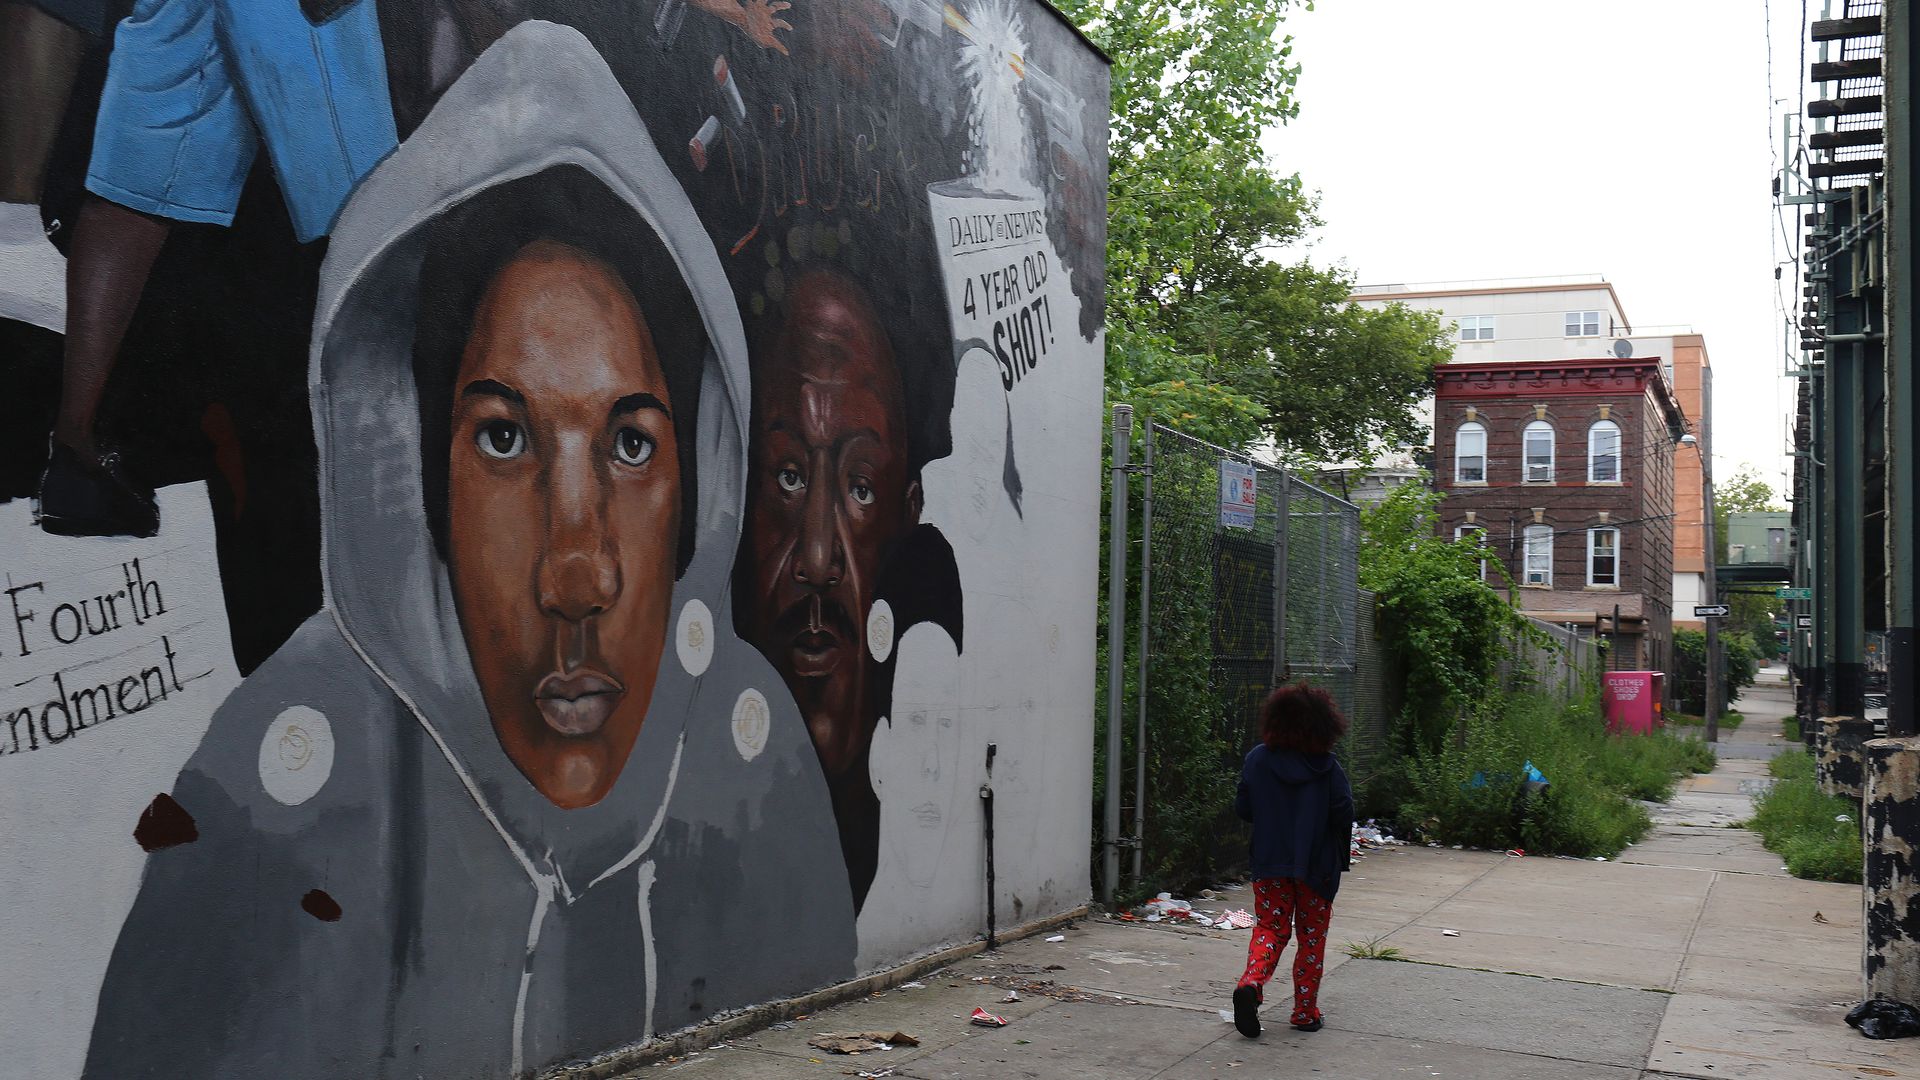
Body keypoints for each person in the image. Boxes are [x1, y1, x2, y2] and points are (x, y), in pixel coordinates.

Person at [82, 25, 853, 1077]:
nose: (577, 574)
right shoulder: (269, 811)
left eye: (631, 445)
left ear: (698, 479)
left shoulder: (753, 766)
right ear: (415, 482)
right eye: (502, 437)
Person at [1231, 681, 1354, 1039]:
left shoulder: (1257, 759)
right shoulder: (1328, 769)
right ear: (1323, 725)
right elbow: (1343, 812)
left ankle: (1251, 984)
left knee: (1271, 927)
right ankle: (1304, 1013)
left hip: (1270, 864)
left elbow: (1243, 808)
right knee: (1311, 938)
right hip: (1316, 869)